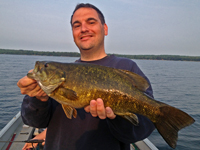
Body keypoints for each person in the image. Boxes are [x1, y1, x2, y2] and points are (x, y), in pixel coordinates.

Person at [17, 3, 155, 150]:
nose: (83, 29)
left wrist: (117, 118)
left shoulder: (126, 67)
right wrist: (38, 99)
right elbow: (34, 121)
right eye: (77, 25)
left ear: (105, 28)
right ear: (73, 33)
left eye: (91, 22)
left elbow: (142, 129)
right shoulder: (54, 82)